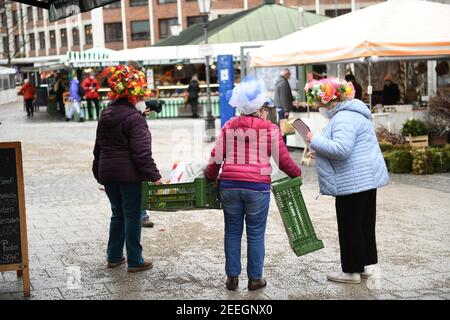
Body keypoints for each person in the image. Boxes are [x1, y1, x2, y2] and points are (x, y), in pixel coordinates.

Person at [205, 76, 302, 291]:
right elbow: (284, 161)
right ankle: (255, 278)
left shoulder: (229, 126)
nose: (267, 111)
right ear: (259, 109)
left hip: (229, 186)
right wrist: (297, 174)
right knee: (256, 233)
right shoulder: (270, 130)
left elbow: (215, 157)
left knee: (231, 232)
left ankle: (232, 278)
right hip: (257, 188)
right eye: (266, 107)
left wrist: (210, 177)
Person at [304, 78, 389, 284]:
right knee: (364, 224)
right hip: (365, 179)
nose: (318, 108)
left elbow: (342, 149)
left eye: (319, 103)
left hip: (352, 182)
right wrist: (321, 152)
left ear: (330, 101)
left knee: (350, 225)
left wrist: (313, 139)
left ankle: (351, 271)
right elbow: (347, 147)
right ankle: (364, 266)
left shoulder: (343, 118)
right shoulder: (354, 114)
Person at [93, 64, 162, 272]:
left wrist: (98, 173)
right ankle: (135, 260)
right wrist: (155, 177)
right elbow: (141, 154)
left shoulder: (106, 113)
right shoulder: (135, 119)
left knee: (117, 214)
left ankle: (114, 256)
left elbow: (98, 147)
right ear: (134, 96)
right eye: (141, 96)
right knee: (132, 215)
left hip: (108, 173)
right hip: (129, 176)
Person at [274, 68, 294, 142]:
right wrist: (286, 109)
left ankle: (281, 143)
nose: (290, 76)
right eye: (289, 74)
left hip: (279, 107)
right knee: (283, 127)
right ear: (286, 74)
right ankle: (283, 144)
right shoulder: (283, 83)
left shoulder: (280, 81)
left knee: (281, 126)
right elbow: (284, 97)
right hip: (283, 108)